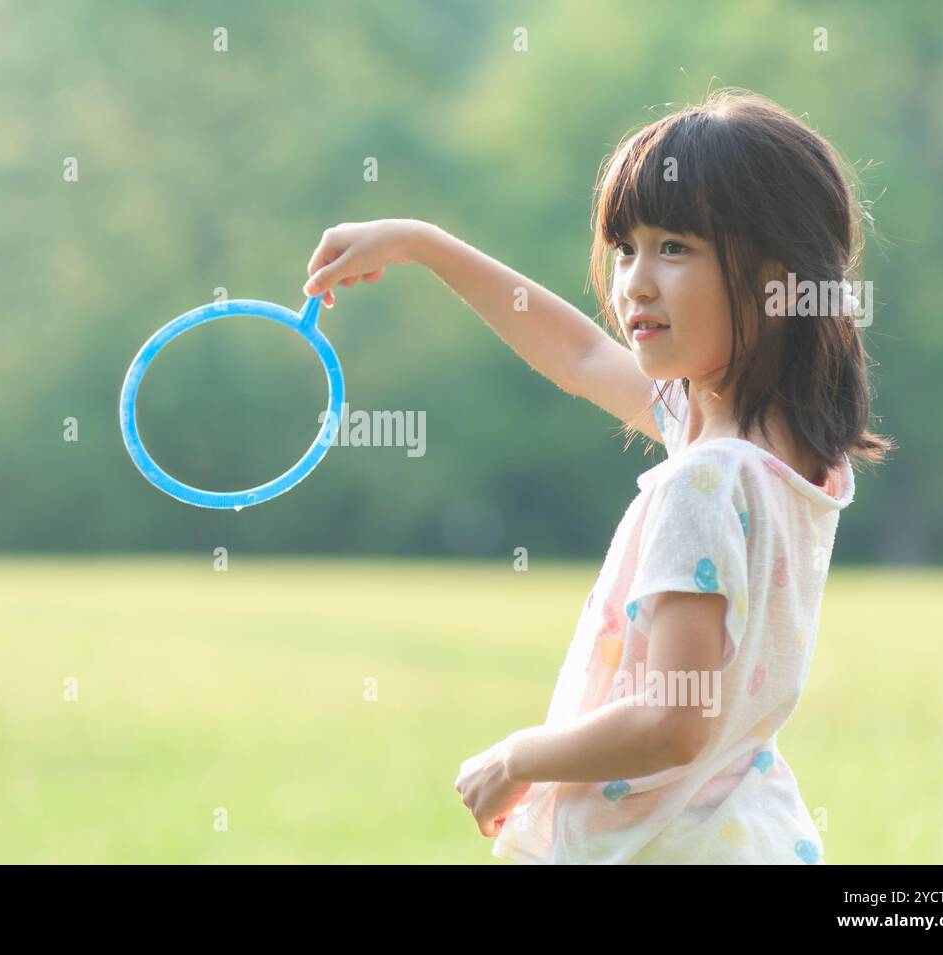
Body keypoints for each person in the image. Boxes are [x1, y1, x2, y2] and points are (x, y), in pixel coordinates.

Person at [301, 88, 892, 864]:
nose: (635, 282)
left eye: (675, 247)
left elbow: (673, 720)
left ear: (774, 280)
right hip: (749, 832)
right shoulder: (786, 457)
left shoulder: (704, 482)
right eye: (625, 248)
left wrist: (518, 758)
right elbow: (579, 355)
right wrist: (422, 243)